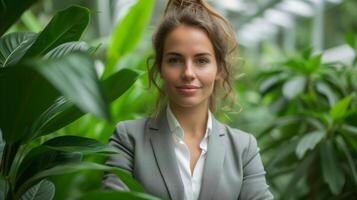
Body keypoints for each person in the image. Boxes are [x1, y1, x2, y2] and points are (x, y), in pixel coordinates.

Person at [103, 0, 273, 199]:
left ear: (218, 68)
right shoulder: (129, 139)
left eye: (201, 61)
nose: (188, 73)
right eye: (175, 60)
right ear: (160, 67)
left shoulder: (243, 148)